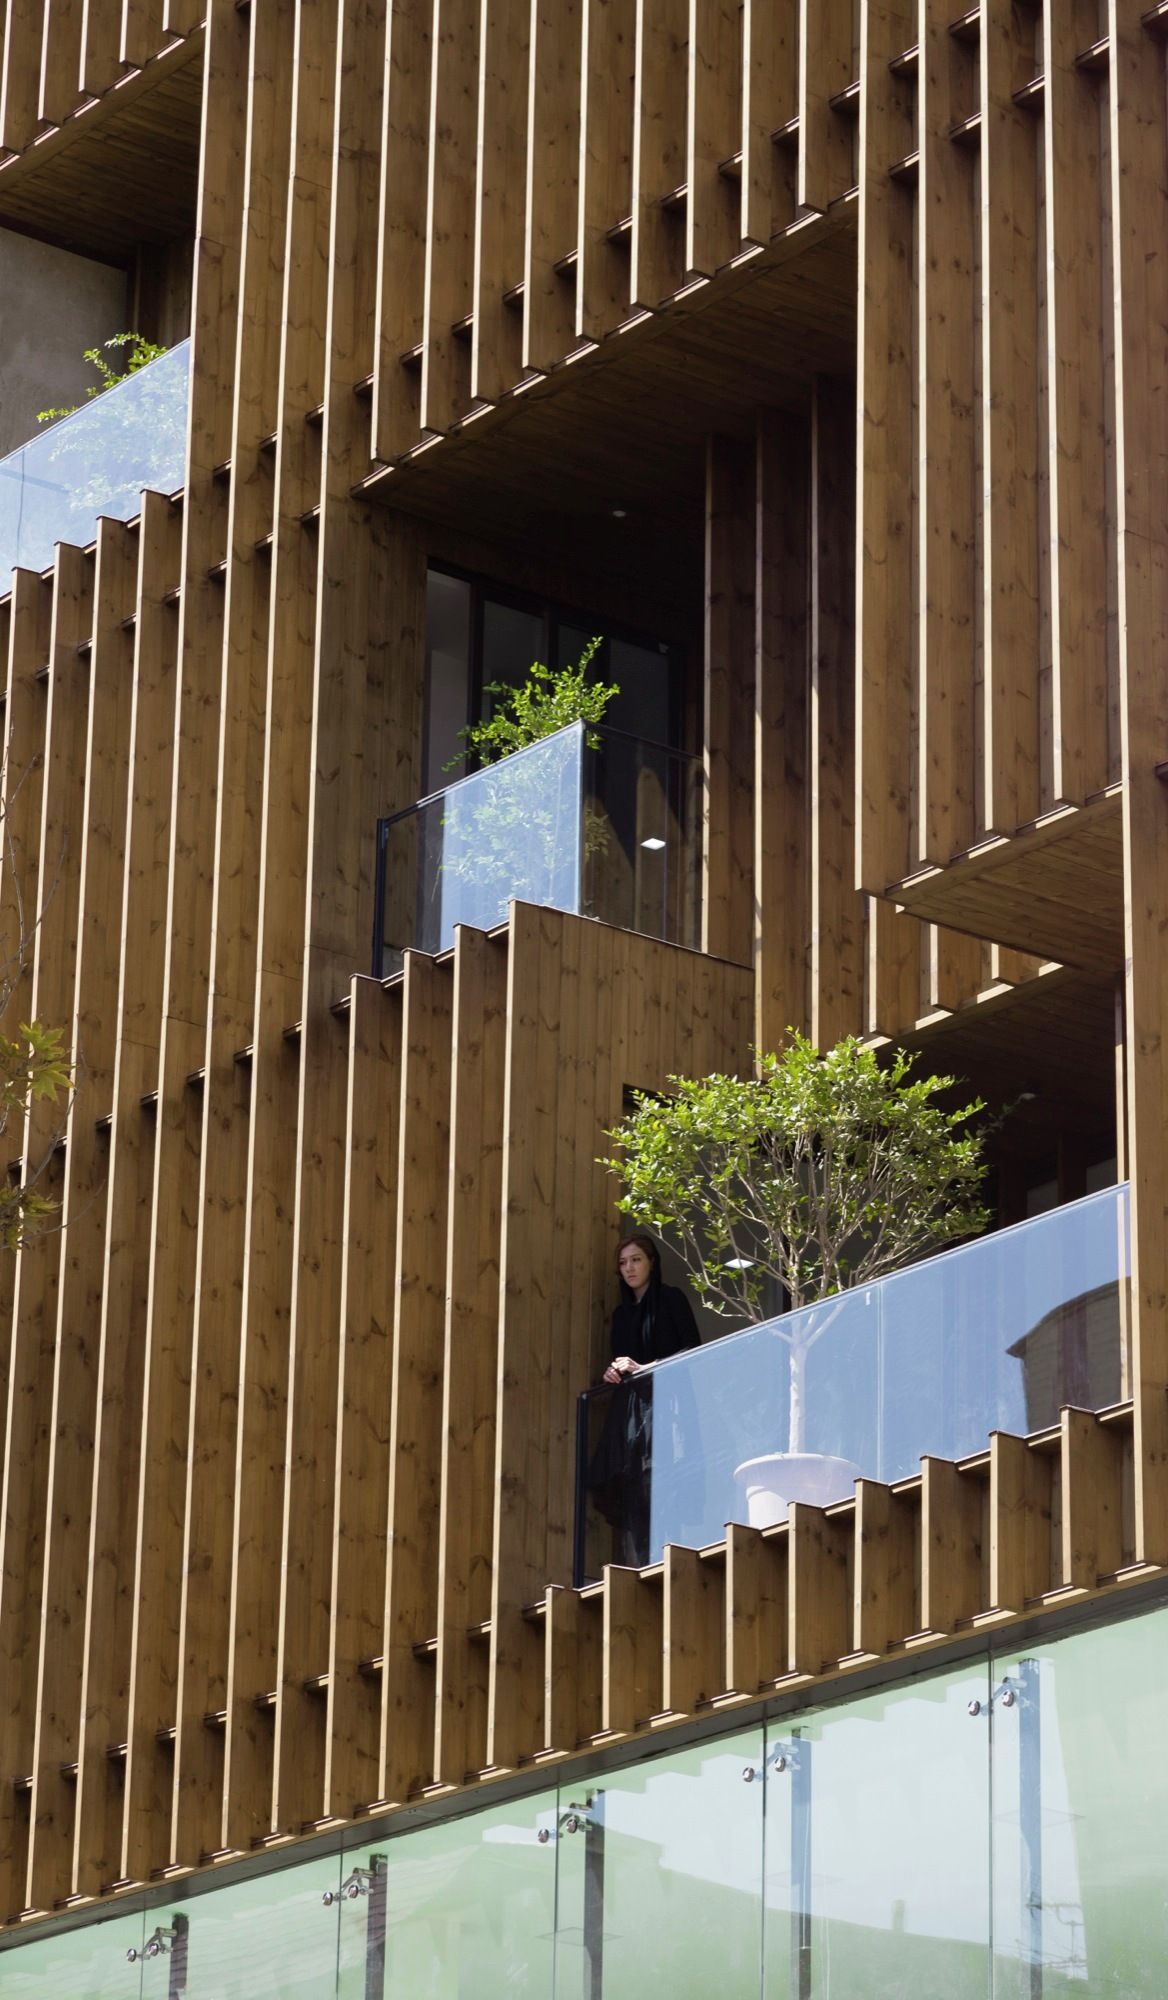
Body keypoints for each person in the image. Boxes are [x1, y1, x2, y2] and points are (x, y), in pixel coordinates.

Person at [586, 1234, 702, 1569]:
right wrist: (613, 1372)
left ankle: (668, 1563)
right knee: (631, 1484)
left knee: (663, 1480)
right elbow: (621, 1362)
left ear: (652, 1262)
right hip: (631, 1412)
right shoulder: (621, 1315)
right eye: (623, 1263)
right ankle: (638, 1568)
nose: (629, 1268)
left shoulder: (671, 1299)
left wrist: (643, 1368)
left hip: (669, 1404)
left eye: (636, 1259)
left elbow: (692, 1349)